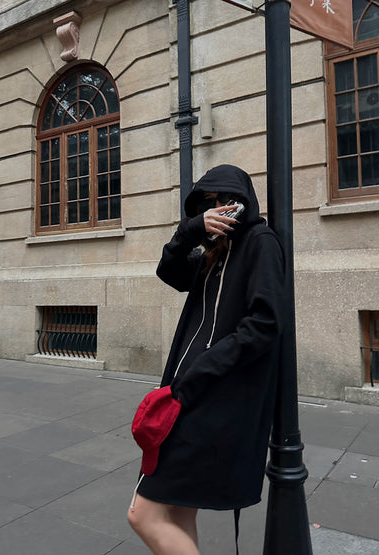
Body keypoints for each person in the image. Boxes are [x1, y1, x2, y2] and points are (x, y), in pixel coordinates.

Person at [128, 164, 285, 554]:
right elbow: (170, 270)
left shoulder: (260, 242)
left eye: (226, 201)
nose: (218, 208)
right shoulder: (213, 254)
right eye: (209, 203)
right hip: (187, 396)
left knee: (143, 514)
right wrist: (192, 229)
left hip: (215, 399)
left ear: (243, 203)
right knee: (178, 512)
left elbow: (264, 324)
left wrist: (203, 370)